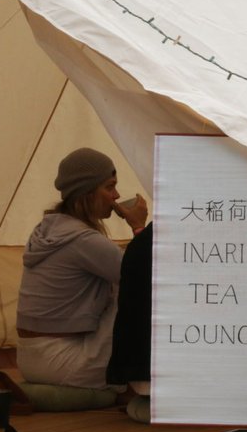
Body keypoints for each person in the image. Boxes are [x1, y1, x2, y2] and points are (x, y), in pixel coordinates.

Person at [16, 147, 148, 390]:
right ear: (86, 193)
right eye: (109, 187)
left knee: (127, 279)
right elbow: (144, 274)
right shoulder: (82, 240)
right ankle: (143, 383)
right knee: (135, 287)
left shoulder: (49, 229)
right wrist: (139, 226)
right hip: (63, 361)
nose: (116, 196)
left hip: (30, 358)